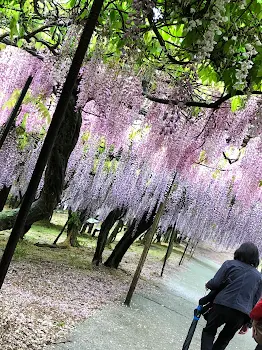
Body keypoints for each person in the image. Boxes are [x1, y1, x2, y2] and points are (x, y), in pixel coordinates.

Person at [201, 242, 262, 350]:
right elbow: (255, 301)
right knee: (224, 339)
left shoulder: (229, 264)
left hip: (222, 305)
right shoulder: (259, 277)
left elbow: (215, 283)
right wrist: (247, 323)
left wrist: (208, 283)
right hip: (241, 313)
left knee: (209, 332)